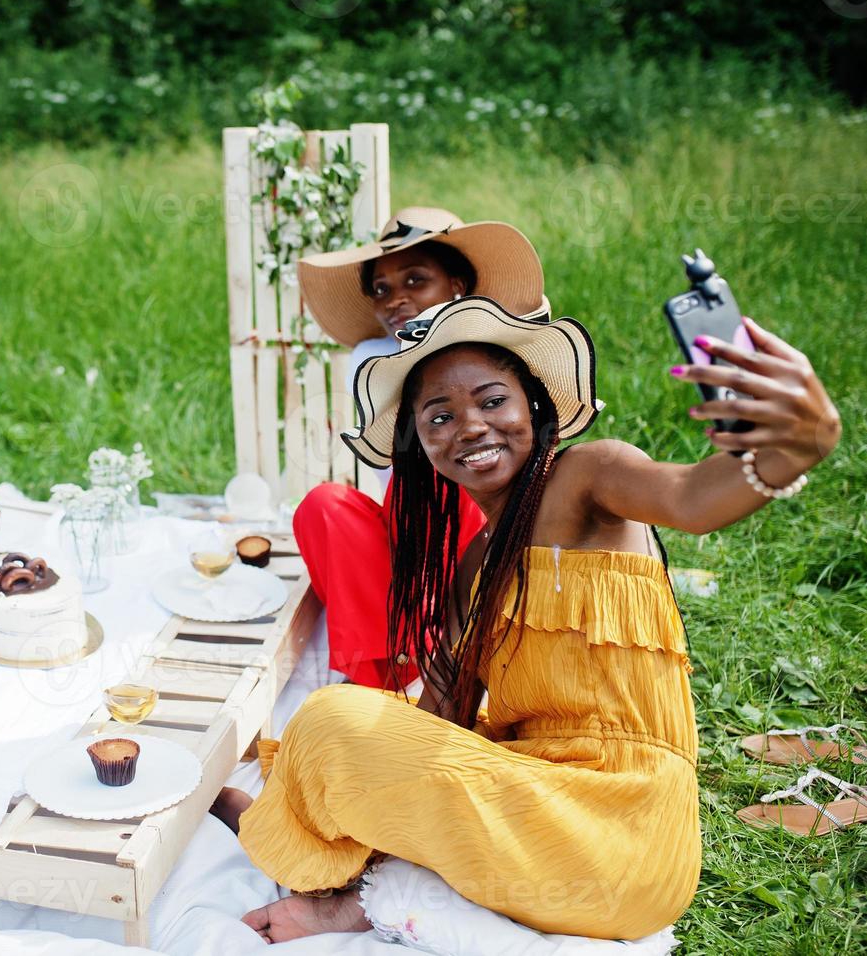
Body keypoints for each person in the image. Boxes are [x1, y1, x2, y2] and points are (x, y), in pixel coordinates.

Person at [222, 297, 840, 942]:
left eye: (493, 401)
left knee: (331, 721)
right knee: (343, 723)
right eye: (440, 416)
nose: (470, 427)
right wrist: (351, 767)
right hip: (524, 815)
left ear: (534, 407)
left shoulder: (586, 478)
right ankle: (326, 863)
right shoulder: (474, 566)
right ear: (420, 443)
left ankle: (321, 864)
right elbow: (439, 723)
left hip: (622, 839)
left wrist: (797, 444)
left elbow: (690, 497)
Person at [293, 208, 549, 689]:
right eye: (382, 290)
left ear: (456, 283)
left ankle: (425, 652)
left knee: (436, 476)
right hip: (406, 529)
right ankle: (385, 672)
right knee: (323, 505)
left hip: (482, 526)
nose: (396, 299)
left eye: (415, 280)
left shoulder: (495, 348)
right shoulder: (371, 359)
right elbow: (392, 454)